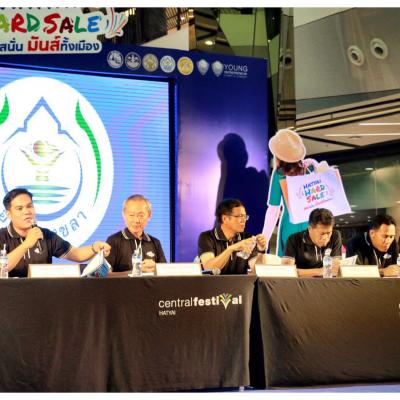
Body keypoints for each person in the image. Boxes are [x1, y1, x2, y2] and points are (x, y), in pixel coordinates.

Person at [0, 188, 111, 278]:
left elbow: (76, 254)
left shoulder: (45, 235)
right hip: (11, 294)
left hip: (43, 293)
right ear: (8, 214)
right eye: (19, 208)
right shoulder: (2, 236)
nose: (27, 211)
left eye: (30, 206)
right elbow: (1, 267)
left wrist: (94, 248)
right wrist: (26, 245)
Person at [262, 129, 320, 256]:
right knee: (313, 263)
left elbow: (273, 210)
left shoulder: (279, 174)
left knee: (288, 264)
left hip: (290, 225)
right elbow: (329, 185)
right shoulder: (311, 168)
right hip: (313, 224)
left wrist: (264, 240)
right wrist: (315, 164)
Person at [197, 198, 267, 274]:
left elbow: (259, 272)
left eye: (245, 216)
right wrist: (231, 249)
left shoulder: (247, 239)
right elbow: (209, 268)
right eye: (240, 216)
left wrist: (261, 250)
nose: (244, 220)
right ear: (225, 219)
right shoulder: (207, 237)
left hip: (240, 282)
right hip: (214, 282)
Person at [106, 194, 166, 275]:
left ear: (149, 215)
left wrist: (156, 268)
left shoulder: (155, 243)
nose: (136, 220)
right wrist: (135, 272)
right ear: (124, 214)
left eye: (141, 215)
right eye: (131, 215)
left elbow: (165, 273)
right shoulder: (113, 241)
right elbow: (105, 275)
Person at [284, 208, 342, 277]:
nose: (325, 237)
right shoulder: (294, 239)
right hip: (301, 282)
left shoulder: (335, 236)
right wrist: (321, 271)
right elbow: (287, 271)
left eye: (328, 233)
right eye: (322, 233)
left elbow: (335, 270)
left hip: (327, 282)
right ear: (310, 229)